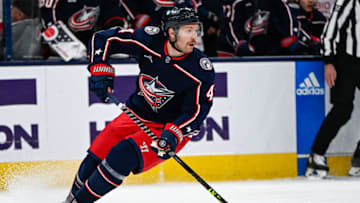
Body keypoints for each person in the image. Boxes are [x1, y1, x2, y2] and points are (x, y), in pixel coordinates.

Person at [64, 7, 215, 202]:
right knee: (97, 153)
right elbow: (103, 39)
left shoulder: (200, 69)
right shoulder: (149, 39)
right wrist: (100, 69)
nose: (194, 36)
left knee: (121, 155)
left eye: (196, 30)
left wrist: (174, 133)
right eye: (188, 30)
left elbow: (198, 110)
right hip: (136, 113)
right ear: (171, 32)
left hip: (168, 129)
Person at [305, 0, 360, 178]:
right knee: (343, 109)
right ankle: (317, 155)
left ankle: (359, 159)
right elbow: (330, 30)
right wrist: (329, 61)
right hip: (346, 59)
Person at [216, 0, 315, 57]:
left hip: (275, 56)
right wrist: (240, 44)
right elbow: (232, 27)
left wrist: (305, 41)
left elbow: (290, 22)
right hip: (248, 57)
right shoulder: (239, 4)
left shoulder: (277, 2)